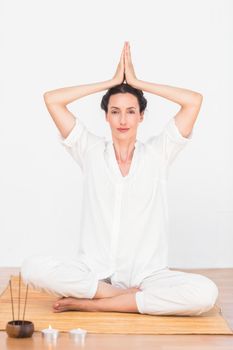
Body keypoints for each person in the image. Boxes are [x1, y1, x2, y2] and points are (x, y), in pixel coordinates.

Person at [21, 41, 218, 315]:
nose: (123, 119)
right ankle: (116, 297)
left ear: (141, 116)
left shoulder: (158, 154)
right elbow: (52, 99)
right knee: (32, 268)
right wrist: (110, 82)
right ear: (106, 116)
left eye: (130, 111)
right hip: (94, 274)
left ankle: (96, 305)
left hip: (147, 277)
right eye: (115, 111)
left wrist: (137, 82)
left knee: (205, 293)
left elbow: (193, 101)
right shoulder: (89, 151)